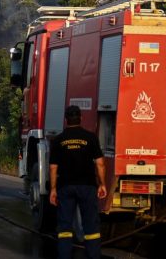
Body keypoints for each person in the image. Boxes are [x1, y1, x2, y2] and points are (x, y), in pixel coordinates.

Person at [49, 105, 107, 259]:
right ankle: (93, 256)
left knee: (65, 227)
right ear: (81, 118)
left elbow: (53, 168)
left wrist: (53, 189)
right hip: (87, 187)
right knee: (91, 226)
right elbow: (100, 163)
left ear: (66, 120)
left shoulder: (58, 140)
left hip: (65, 187)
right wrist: (102, 184)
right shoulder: (90, 138)